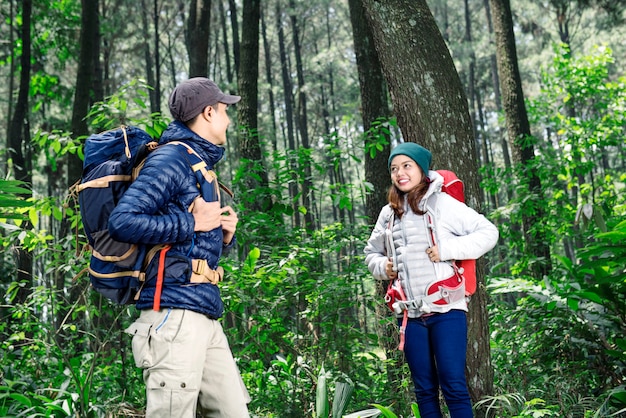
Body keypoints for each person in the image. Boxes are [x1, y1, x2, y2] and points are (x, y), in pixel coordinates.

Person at [108, 77, 250, 417]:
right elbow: (123, 221)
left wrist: (221, 236)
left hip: (202, 311)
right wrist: (193, 223)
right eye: (225, 111)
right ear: (209, 112)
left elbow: (183, 246)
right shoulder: (171, 159)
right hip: (173, 316)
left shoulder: (197, 163)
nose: (229, 120)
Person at [364, 142, 498, 418]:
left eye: (406, 166)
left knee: (453, 385)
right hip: (411, 317)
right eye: (394, 168)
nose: (400, 173)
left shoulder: (443, 204)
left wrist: (448, 251)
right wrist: (382, 266)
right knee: (424, 391)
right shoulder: (389, 213)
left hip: (447, 311)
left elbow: (488, 232)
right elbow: (371, 252)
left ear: (422, 169)